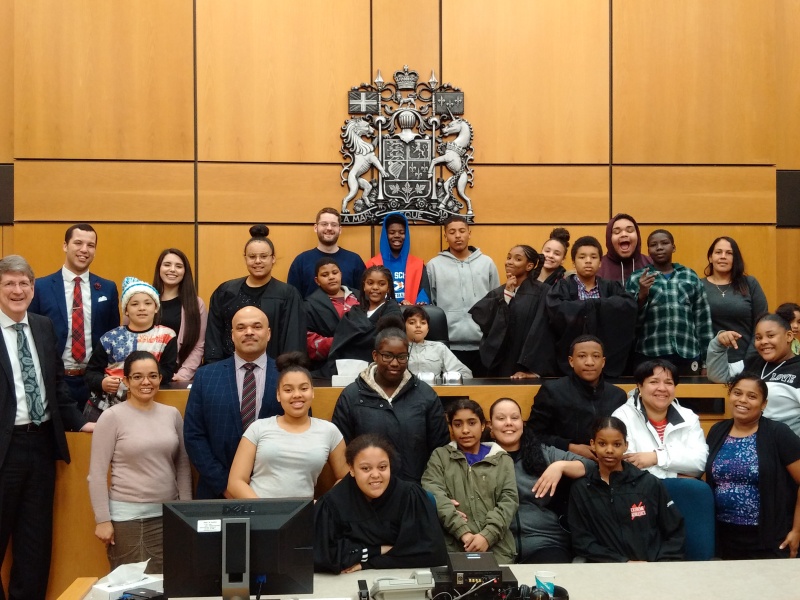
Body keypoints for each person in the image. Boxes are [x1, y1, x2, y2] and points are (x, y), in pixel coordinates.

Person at [0, 255, 92, 600]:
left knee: (34, 545)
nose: (18, 290)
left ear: (33, 287)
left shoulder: (42, 326)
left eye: (24, 283)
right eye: (9, 283)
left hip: (40, 446)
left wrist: (80, 424)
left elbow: (56, 385)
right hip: (3, 450)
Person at [88, 351, 192, 574]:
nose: (146, 382)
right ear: (126, 381)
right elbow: (96, 474)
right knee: (131, 590)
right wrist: (103, 520)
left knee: (168, 588)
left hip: (168, 517)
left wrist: (185, 513)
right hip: (128, 521)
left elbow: (183, 467)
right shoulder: (111, 417)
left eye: (152, 376)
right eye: (137, 377)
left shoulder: (172, 414)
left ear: (160, 379)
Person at [331, 320, 449, 483]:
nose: (394, 363)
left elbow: (440, 450)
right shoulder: (351, 396)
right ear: (375, 355)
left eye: (401, 357)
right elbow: (342, 452)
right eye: (387, 356)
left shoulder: (425, 395)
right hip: (366, 493)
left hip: (415, 491)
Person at [184, 306, 281, 499]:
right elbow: (194, 435)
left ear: (268, 333)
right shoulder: (206, 376)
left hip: (274, 491)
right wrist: (225, 485)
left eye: (257, 326)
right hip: (217, 492)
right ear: (232, 335)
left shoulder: (287, 375)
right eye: (241, 327)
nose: (249, 332)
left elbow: (300, 430)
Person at [314, 434, 448, 573]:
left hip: (402, 578)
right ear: (352, 469)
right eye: (366, 468)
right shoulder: (332, 503)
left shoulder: (409, 496)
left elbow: (432, 553)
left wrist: (368, 563)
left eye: (383, 467)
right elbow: (322, 557)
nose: (376, 475)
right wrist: (378, 550)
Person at [226, 352, 347, 499]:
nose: (296, 395)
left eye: (303, 388)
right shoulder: (258, 428)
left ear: (313, 392)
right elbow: (235, 482)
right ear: (278, 394)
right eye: (288, 390)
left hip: (303, 517)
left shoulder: (329, 431)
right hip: (259, 514)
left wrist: (322, 506)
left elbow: (346, 478)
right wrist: (265, 510)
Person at [705, 373, 800, 559]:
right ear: (730, 395)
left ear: (763, 404)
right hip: (725, 537)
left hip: (769, 537)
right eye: (737, 393)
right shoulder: (717, 431)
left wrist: (797, 530)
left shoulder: (778, 433)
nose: (743, 400)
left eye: (752, 396)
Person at [568, 416, 685, 562]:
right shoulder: (582, 489)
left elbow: (675, 532)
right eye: (602, 443)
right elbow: (582, 541)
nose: (609, 450)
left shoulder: (648, 483)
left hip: (653, 570)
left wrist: (659, 566)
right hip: (607, 570)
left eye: (617, 444)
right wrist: (623, 562)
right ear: (593, 444)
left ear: (626, 445)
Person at [29, 223, 120, 410]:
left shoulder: (107, 288)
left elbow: (113, 335)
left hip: (95, 381)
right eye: (78, 243)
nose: (84, 250)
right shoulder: (40, 287)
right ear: (65, 246)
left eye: (91, 245)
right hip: (56, 380)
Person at [489, 398, 590, 563]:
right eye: (501, 419)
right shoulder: (480, 457)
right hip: (495, 544)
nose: (509, 423)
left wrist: (560, 466)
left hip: (544, 542)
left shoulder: (542, 453)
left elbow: (590, 466)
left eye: (514, 418)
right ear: (490, 427)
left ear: (522, 423)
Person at [422, 399, 518, 564]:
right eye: (458, 424)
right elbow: (435, 495)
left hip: (497, 550)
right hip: (452, 549)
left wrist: (486, 536)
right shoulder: (440, 457)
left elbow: (508, 501)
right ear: (451, 428)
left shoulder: (502, 459)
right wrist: (463, 532)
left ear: (482, 426)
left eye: (472, 423)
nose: (465, 430)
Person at [205, 225, 306, 362]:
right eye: (252, 256)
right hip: (228, 371)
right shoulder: (225, 292)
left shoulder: (288, 295)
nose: (257, 261)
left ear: (273, 258)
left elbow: (293, 340)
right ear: (245, 258)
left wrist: (287, 373)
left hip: (274, 372)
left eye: (263, 256)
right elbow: (214, 337)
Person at [83, 277, 177, 422]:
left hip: (147, 406)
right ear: (126, 310)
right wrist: (102, 382)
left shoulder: (167, 336)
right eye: (134, 304)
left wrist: (143, 381)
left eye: (148, 303)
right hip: (105, 408)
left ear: (156, 307)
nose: (142, 308)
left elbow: (167, 371)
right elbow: (91, 372)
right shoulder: (110, 338)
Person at [545, 235, 637, 377]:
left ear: (600, 262)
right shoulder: (562, 287)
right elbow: (556, 313)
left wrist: (593, 306)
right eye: (582, 257)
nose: (588, 261)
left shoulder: (612, 287)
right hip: (569, 361)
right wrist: (592, 308)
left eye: (593, 257)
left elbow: (627, 307)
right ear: (574, 262)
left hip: (607, 360)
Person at [625, 229, 713, 374]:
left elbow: (703, 322)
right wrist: (642, 294)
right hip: (649, 354)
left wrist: (706, 363)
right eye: (653, 245)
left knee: (689, 396)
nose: (659, 247)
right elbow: (629, 323)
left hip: (687, 353)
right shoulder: (637, 278)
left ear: (673, 247)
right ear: (648, 250)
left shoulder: (690, 276)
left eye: (664, 243)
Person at [528, 335, 627, 461]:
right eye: (582, 356)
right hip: (565, 462)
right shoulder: (553, 391)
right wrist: (570, 447)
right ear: (571, 361)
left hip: (608, 463)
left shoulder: (617, 396)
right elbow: (533, 434)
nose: (589, 362)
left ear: (603, 362)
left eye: (596, 356)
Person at [426, 215, 500, 376]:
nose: (457, 236)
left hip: (483, 345)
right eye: (452, 232)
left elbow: (497, 303)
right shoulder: (434, 265)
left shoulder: (487, 263)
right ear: (445, 236)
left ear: (469, 233)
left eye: (462, 231)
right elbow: (430, 305)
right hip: (448, 346)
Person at [707, 313, 800, 437]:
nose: (763, 342)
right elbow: (718, 375)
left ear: (788, 336)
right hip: (748, 440)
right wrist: (719, 344)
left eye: (770, 336)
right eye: (758, 337)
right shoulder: (752, 363)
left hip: (784, 446)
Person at [612, 359, 708, 478]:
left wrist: (656, 457)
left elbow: (700, 463)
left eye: (668, 383)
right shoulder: (622, 417)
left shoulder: (689, 417)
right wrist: (677, 476)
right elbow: (628, 466)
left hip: (680, 491)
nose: (662, 388)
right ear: (639, 386)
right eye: (654, 382)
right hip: (640, 492)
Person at [469, 244, 553, 378]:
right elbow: (486, 322)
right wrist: (506, 296)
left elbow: (542, 332)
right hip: (501, 366)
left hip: (527, 367)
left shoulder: (543, 292)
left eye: (517, 259)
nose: (509, 262)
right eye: (508, 257)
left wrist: (533, 370)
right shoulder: (499, 292)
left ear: (529, 266)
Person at [316, 266, 402, 375]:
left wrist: (354, 339)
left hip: (378, 370)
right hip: (346, 366)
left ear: (389, 288)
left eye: (381, 284)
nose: (375, 287)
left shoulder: (393, 313)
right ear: (364, 286)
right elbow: (341, 339)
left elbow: (384, 343)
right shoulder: (354, 311)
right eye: (370, 283)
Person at [702, 236, 768, 363]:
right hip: (712, 362)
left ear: (735, 258)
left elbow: (761, 323)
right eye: (718, 252)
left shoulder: (750, 283)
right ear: (710, 257)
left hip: (748, 360)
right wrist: (704, 362)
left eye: (729, 253)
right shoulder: (699, 286)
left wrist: (750, 359)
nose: (723, 256)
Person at [152, 248, 207, 381]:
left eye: (178, 266)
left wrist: (183, 375)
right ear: (159, 269)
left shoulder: (196, 304)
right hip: (146, 375)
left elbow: (199, 345)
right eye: (167, 265)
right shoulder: (144, 299)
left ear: (185, 272)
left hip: (180, 376)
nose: (172, 269)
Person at [287, 207, 366, 299]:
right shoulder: (301, 261)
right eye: (324, 224)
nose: (329, 228)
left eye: (334, 225)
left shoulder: (355, 260)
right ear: (316, 228)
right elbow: (293, 300)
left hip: (348, 313)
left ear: (340, 230)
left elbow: (362, 298)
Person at [304, 258, 360, 367]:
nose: (331, 277)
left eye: (335, 273)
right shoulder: (309, 305)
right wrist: (338, 341)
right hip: (329, 366)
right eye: (325, 275)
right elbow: (307, 339)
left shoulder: (359, 297)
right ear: (317, 280)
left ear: (341, 274)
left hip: (362, 360)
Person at [365, 212, 430, 305]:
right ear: (385, 235)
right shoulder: (373, 264)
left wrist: (415, 306)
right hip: (383, 316)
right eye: (392, 232)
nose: (397, 235)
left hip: (411, 315)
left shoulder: (418, 264)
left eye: (402, 232)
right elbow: (367, 295)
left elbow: (424, 294)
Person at [404, 305, 472, 378]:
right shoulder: (398, 348)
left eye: (423, 323)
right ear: (403, 326)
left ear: (428, 328)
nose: (418, 326)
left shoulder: (439, 348)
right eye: (412, 322)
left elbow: (465, 374)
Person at [597, 213, 653, 285]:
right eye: (617, 232)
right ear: (609, 238)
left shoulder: (650, 264)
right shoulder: (599, 267)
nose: (624, 234)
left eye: (629, 230)